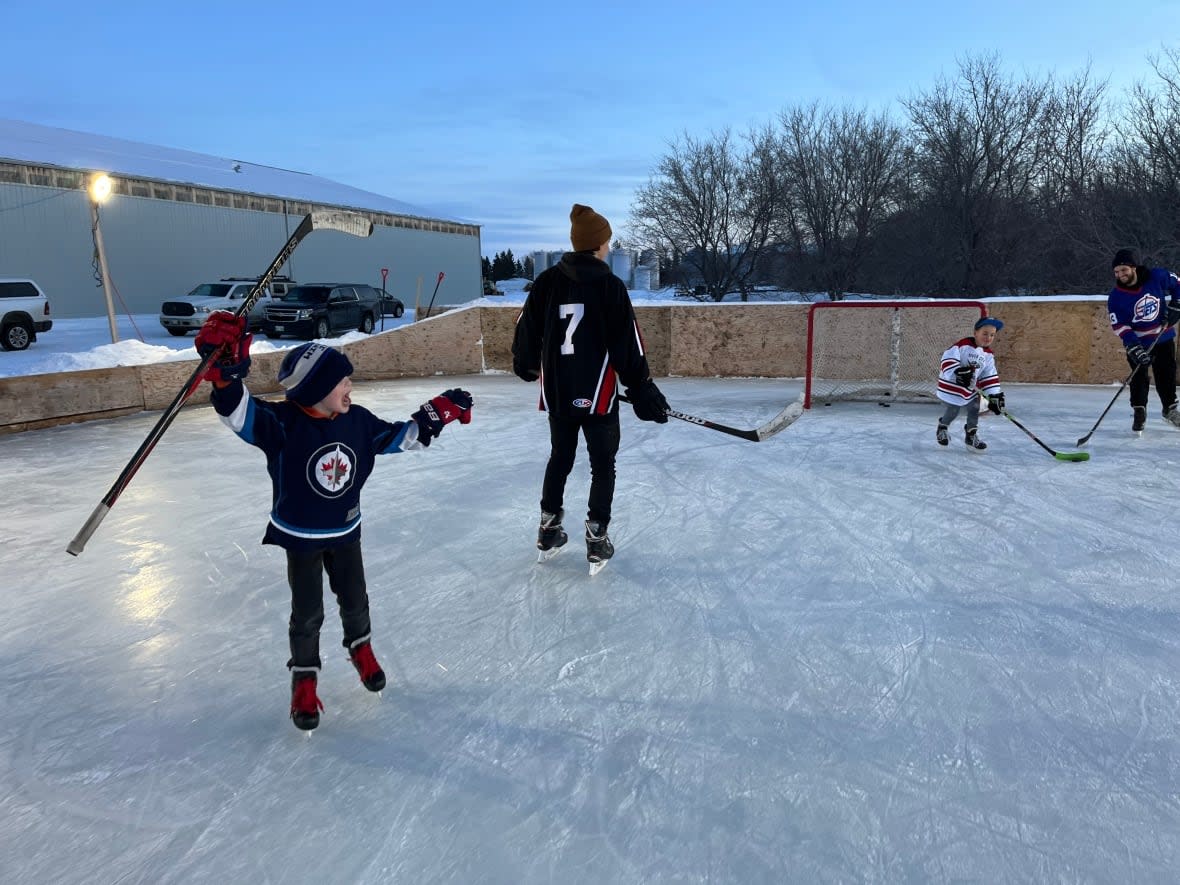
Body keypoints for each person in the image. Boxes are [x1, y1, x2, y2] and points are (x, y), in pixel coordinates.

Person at [193, 312, 473, 731]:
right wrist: (223, 377)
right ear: (317, 388)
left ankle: (361, 649)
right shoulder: (282, 425)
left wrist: (437, 413)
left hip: (345, 532)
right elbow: (239, 414)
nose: (350, 387)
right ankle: (304, 680)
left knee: (355, 599)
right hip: (300, 535)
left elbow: (400, 437)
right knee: (306, 614)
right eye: (342, 382)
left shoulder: (357, 421)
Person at [511, 203, 669, 568]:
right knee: (602, 465)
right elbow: (627, 343)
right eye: (607, 242)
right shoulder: (610, 285)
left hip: (558, 394)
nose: (609, 248)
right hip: (598, 396)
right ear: (598, 244)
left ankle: (548, 528)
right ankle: (597, 538)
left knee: (560, 459)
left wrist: (526, 364)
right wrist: (642, 387)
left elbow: (525, 329)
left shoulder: (546, 283)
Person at [1107, 248, 1180, 432]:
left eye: (1123, 270)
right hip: (1138, 342)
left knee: (1166, 374)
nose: (1120, 275)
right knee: (1138, 378)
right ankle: (1139, 410)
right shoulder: (1116, 296)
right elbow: (1119, 325)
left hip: (1162, 336)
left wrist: (1177, 305)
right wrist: (1132, 345)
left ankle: (1169, 409)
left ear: (1134, 267)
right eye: (1116, 272)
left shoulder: (1156, 277)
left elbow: (1178, 284)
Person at [935, 316, 1006, 451]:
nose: (988, 337)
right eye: (985, 333)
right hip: (951, 388)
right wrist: (957, 372)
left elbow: (989, 375)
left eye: (992, 335)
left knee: (975, 409)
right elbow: (947, 359)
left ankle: (971, 435)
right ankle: (942, 427)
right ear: (975, 333)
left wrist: (994, 395)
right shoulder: (962, 345)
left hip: (969, 391)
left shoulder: (988, 355)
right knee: (953, 410)